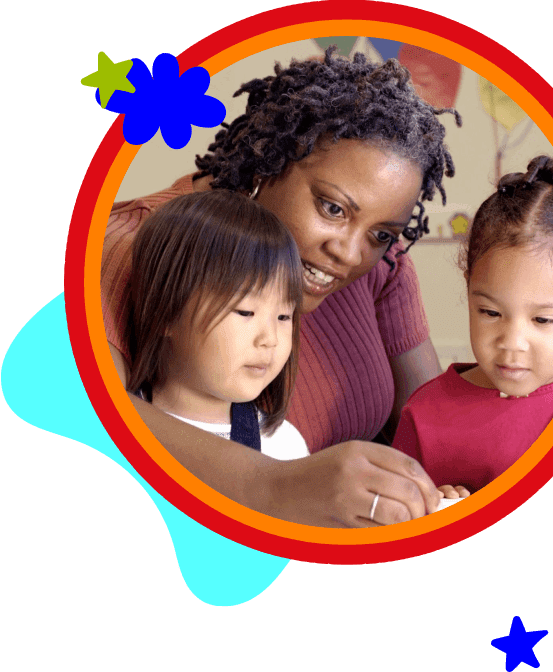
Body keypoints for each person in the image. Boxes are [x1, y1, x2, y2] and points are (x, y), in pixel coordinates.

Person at [103, 46, 462, 527]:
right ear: (264, 163)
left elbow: (432, 432)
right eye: (333, 208)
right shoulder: (130, 243)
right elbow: (86, 413)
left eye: (380, 234)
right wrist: (275, 486)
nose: (351, 254)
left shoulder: (383, 265)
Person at [393, 156, 553, 496]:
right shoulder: (424, 417)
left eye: (542, 319)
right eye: (489, 312)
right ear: (469, 289)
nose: (511, 342)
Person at [125, 189, 308, 460]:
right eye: (245, 312)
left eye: (284, 317)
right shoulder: (113, 429)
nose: (270, 338)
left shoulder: (283, 447)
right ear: (165, 312)